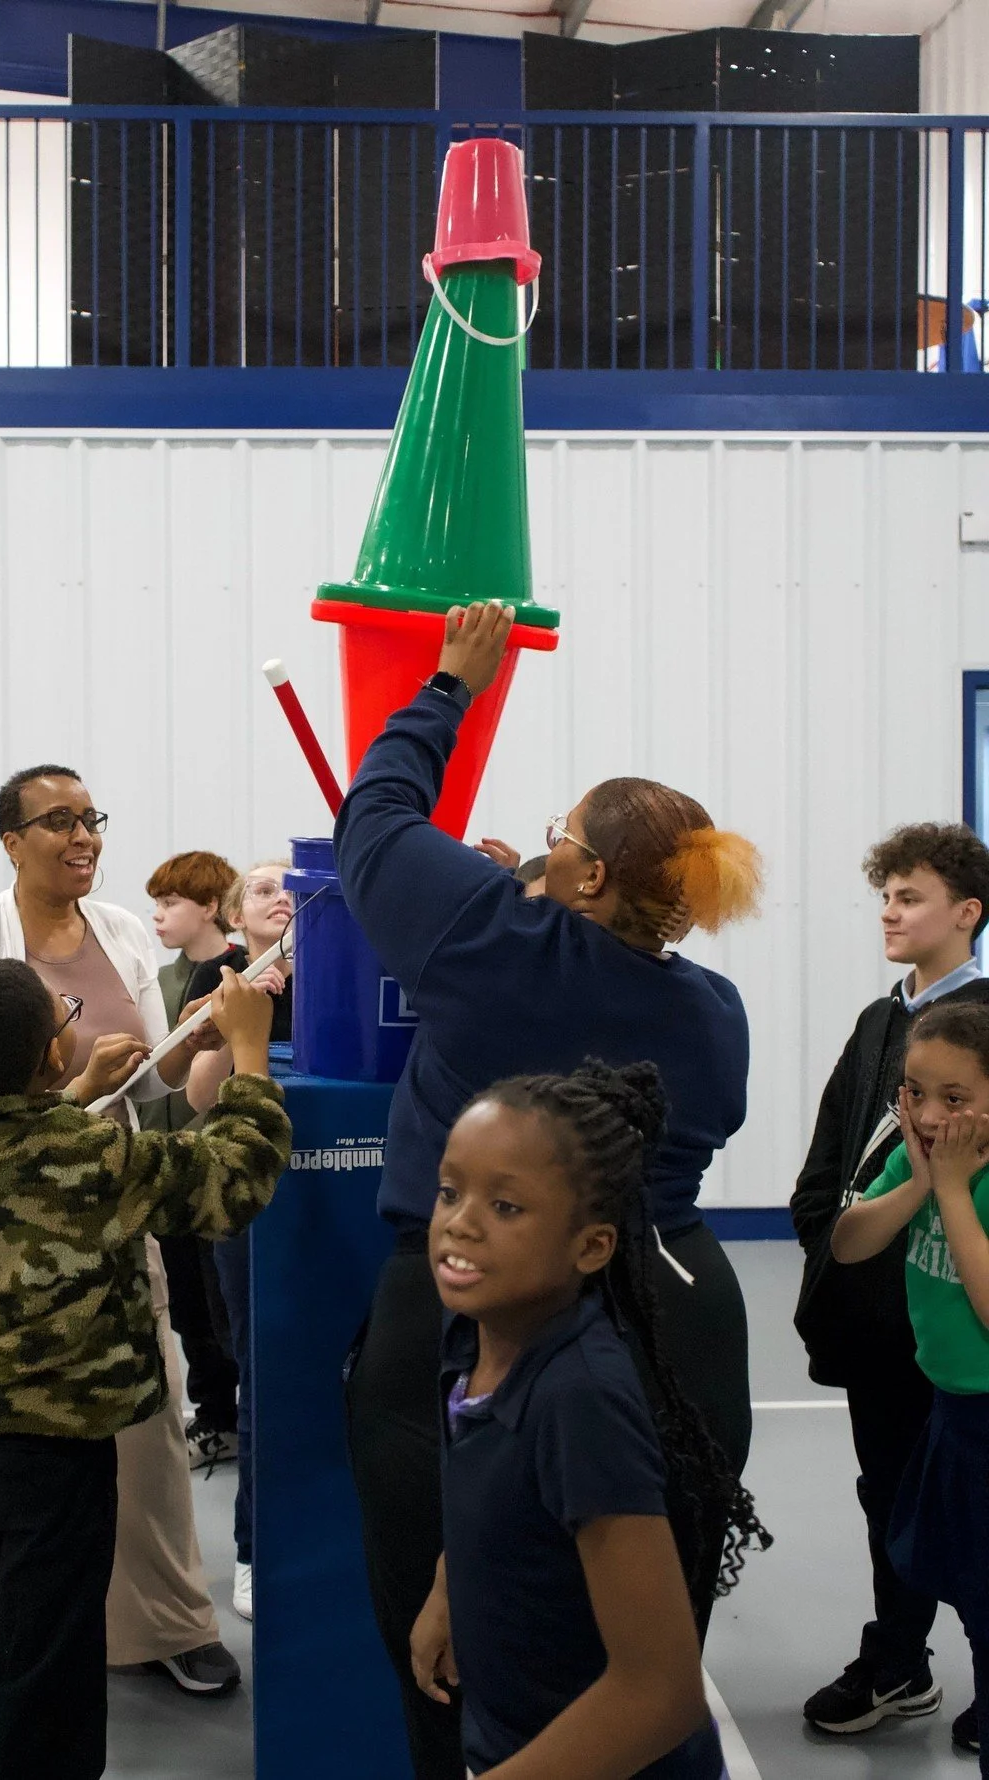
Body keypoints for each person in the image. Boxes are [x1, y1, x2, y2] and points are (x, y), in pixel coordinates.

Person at [334, 603, 763, 1780]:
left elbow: (372, 822)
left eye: (556, 836)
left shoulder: (489, 940)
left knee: (463, 1645)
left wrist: (448, 685)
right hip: (677, 1307)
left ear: (582, 871)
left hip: (477, 1314)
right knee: (643, 1623)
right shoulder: (712, 1014)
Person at [0, 765, 242, 1697]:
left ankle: (166, 1621)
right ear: (10, 841)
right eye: (59, 821)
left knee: (147, 1420)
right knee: (8, 1433)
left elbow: (141, 1085)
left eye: (92, 819)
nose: (84, 837)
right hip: (0, 1218)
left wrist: (187, 1044)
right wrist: (2, 1122)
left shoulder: (118, 932)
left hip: (100, 1197)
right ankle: (7, 1652)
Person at [0, 957, 291, 1780]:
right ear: (48, 1052)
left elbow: (23, 1158)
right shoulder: (88, 1154)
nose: (75, 1021)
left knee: (13, 1648)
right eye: (64, 1013)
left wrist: (79, 1090)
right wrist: (250, 1055)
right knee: (56, 1670)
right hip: (53, 1448)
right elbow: (233, 1181)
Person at [411, 1062, 768, 1779]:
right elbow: (502, 1508)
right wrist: (451, 1585)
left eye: (506, 1207)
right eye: (451, 1191)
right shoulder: (472, 1338)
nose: (460, 1221)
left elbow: (661, 1695)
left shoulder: (580, 1399)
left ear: (592, 1245)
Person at [793, 822, 989, 1745]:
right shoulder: (880, 1021)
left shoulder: (980, 1028)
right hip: (882, 1317)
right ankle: (898, 1660)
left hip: (962, 1334)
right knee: (891, 1500)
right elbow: (838, 1158)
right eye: (886, 896)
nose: (890, 912)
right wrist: (826, 1238)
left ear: (967, 912)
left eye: (910, 897)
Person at [831, 998, 989, 1774]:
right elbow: (850, 1240)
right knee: (955, 1578)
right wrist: (921, 1182)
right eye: (914, 1093)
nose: (928, 1115)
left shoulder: (976, 1179)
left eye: (954, 1100)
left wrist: (954, 1190)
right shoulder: (923, 1155)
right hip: (951, 1411)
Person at [185, 859, 294, 1623]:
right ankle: (255, 1550)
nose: (281, 895)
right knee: (260, 1368)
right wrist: (239, 1024)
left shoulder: (352, 968)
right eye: (261, 888)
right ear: (234, 918)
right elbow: (197, 1095)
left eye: (291, 885)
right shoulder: (223, 981)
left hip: (338, 1187)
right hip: (251, 1196)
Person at [144, 850, 243, 1471]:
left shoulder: (243, 975)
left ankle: (240, 1414)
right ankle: (215, 1415)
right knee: (187, 1304)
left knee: (222, 1301)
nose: (156, 916)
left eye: (170, 902)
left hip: (214, 1159)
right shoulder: (157, 983)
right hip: (164, 1161)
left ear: (211, 907)